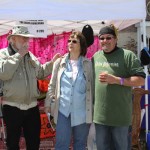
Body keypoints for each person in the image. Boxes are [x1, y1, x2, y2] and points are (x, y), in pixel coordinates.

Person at [0, 25, 60, 150]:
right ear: (13, 39)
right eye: (22, 38)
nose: (26, 41)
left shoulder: (30, 55)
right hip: (12, 107)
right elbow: (4, 74)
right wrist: (18, 56)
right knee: (12, 144)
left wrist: (52, 64)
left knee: (34, 143)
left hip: (32, 107)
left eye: (27, 38)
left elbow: (40, 72)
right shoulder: (3, 54)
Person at [92, 24, 146, 150]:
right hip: (100, 118)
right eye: (102, 38)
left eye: (109, 38)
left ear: (116, 39)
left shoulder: (127, 56)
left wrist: (117, 80)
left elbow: (141, 80)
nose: (105, 41)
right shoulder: (95, 57)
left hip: (120, 118)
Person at [44, 31, 93, 150]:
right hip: (62, 111)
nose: (70, 43)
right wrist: (48, 103)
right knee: (61, 145)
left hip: (82, 112)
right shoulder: (59, 63)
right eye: (69, 41)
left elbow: (92, 88)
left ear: (81, 46)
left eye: (74, 41)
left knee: (80, 145)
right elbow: (52, 85)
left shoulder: (88, 65)